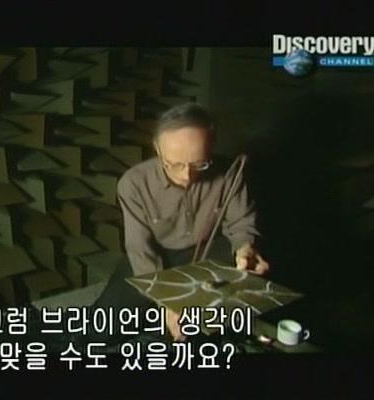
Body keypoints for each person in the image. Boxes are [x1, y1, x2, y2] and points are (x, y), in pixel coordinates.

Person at [80, 102, 270, 348]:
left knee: (218, 323)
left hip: (210, 249)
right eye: (175, 164)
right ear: (157, 148)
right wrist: (167, 300)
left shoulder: (231, 172)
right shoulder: (133, 183)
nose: (186, 175)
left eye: (199, 164)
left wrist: (245, 248)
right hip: (156, 254)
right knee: (99, 332)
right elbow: (140, 248)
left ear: (211, 146)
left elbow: (240, 221)